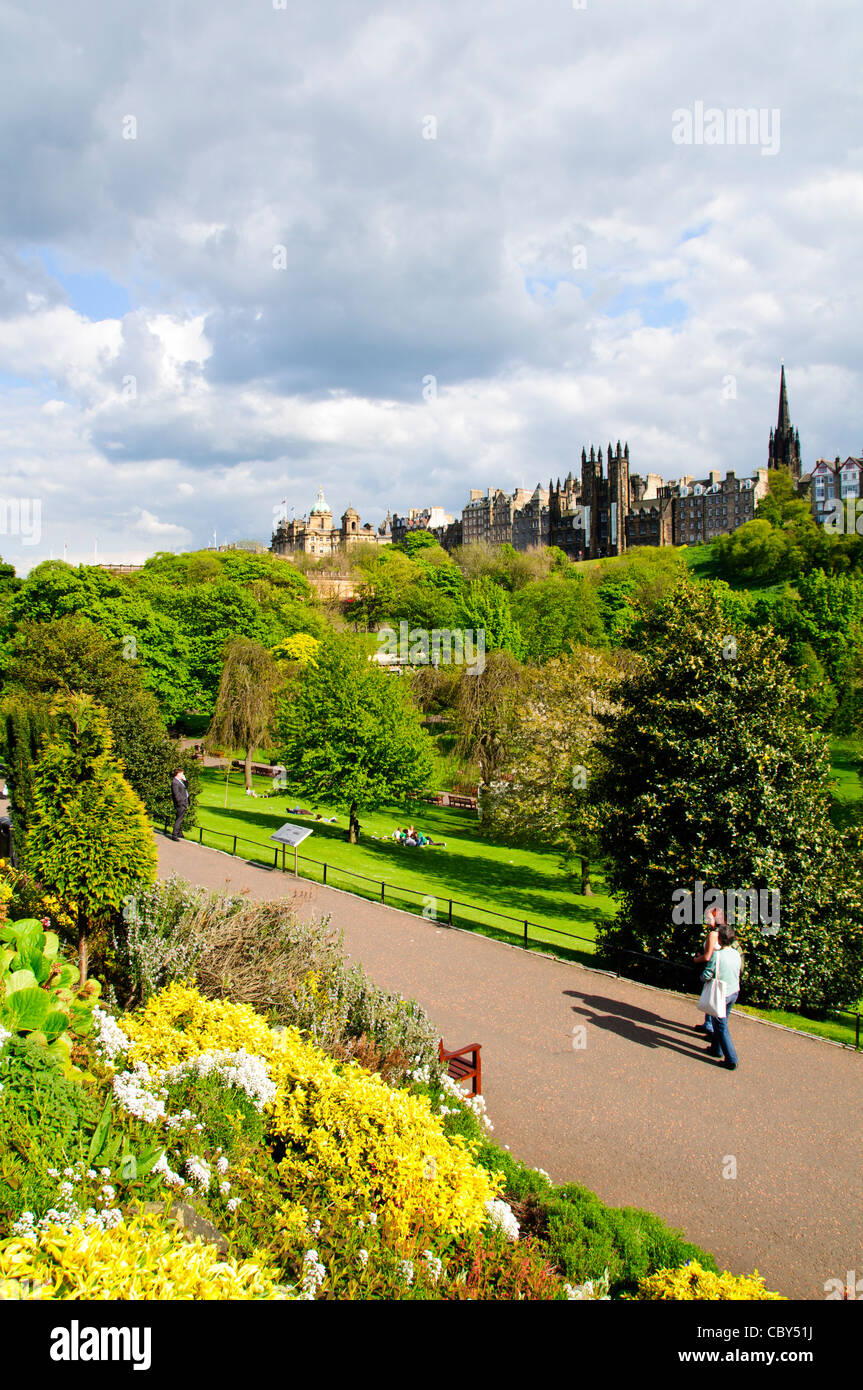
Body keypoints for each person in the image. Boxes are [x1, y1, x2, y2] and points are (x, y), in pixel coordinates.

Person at [699, 923, 742, 1070]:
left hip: (721, 994)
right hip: (733, 992)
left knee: (722, 1027)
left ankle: (731, 1059)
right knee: (721, 1023)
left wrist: (702, 978)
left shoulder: (718, 955)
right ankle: (716, 1049)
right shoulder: (736, 954)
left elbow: (707, 975)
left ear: (720, 940)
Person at [693, 905, 724, 1038]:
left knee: (711, 998)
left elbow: (708, 956)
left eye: (708, 918)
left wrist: (696, 960)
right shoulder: (725, 932)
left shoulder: (713, 934)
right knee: (713, 998)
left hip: (712, 970)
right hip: (721, 970)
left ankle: (710, 1028)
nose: (706, 920)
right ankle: (709, 1025)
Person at [170, 768, 189, 841]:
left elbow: (186, 787)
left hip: (183, 803)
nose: (183, 775)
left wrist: (185, 780)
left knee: (180, 818)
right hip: (180, 804)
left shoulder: (180, 781)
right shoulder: (175, 782)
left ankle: (179, 833)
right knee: (179, 819)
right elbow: (176, 794)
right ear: (178, 774)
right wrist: (182, 803)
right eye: (182, 774)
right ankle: (174, 835)